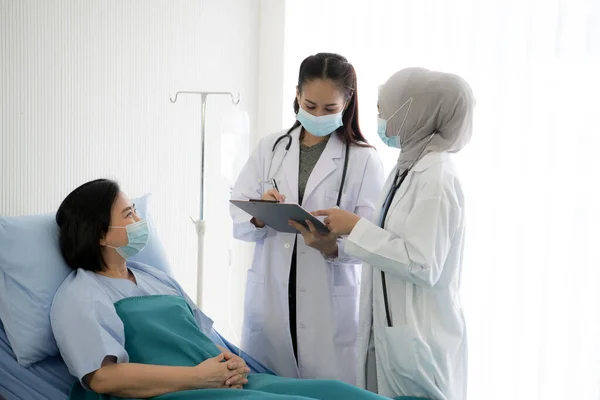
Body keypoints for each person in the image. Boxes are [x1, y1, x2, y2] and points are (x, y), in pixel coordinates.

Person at [50, 179, 392, 400]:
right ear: (99, 233)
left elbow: (200, 335)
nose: (140, 222)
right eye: (129, 214)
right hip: (170, 392)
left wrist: (228, 361)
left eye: (137, 211)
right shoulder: (80, 294)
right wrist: (197, 377)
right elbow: (103, 379)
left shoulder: (154, 277)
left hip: (218, 380)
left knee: (336, 392)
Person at [313, 68, 475, 400]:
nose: (379, 117)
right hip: (392, 330)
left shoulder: (437, 179)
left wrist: (355, 227)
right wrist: (344, 236)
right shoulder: (408, 167)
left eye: (385, 108)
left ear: (416, 112)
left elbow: (422, 263)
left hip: (420, 339)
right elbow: (392, 240)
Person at [229, 53, 384, 384]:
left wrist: (333, 247)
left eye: (329, 109)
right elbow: (239, 207)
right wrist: (260, 214)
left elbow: (374, 239)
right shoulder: (271, 147)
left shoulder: (364, 160)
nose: (317, 115)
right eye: (310, 105)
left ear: (347, 101)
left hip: (328, 302)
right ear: (297, 94)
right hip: (272, 296)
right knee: (268, 387)